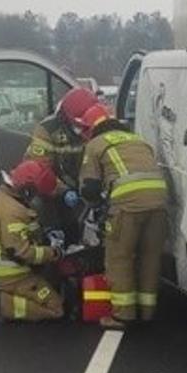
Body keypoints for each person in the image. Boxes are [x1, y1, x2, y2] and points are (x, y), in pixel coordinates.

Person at [75, 102, 169, 329]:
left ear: (90, 128)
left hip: (128, 206)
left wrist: (98, 207)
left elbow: (89, 189)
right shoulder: (138, 140)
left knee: (119, 257)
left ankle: (123, 315)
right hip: (159, 202)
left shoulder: (95, 144)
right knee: (150, 256)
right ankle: (147, 311)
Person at [0, 160, 66, 325]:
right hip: (12, 275)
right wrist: (53, 252)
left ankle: (6, 296)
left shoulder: (5, 198)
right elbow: (21, 252)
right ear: (27, 191)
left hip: (7, 271)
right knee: (56, 308)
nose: (40, 199)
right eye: (39, 195)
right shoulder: (12, 212)